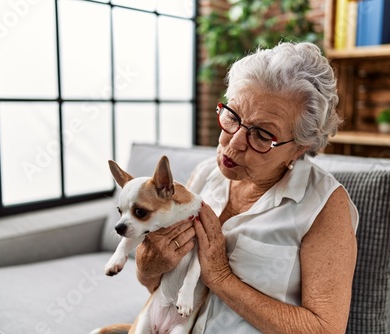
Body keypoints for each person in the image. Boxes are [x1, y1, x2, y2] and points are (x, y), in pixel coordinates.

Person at [136, 42, 359, 333]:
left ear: (298, 149)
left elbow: (325, 330)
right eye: (232, 115)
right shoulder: (205, 175)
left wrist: (220, 277)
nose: (235, 142)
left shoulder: (324, 206)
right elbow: (164, 287)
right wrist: (146, 266)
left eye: (262, 135)